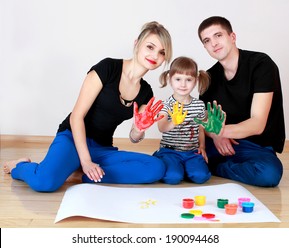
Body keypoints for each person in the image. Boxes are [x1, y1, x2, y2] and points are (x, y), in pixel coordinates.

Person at [3, 21, 173, 192]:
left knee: (155, 168)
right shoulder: (107, 68)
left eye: (161, 52)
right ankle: (20, 165)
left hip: (102, 148)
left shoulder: (146, 92)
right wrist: (85, 161)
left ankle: (78, 175)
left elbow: (134, 137)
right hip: (72, 138)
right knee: (44, 182)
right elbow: (76, 116)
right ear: (137, 44)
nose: (155, 55)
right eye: (150, 47)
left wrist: (139, 129)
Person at [197, 16, 285, 187]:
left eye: (218, 35)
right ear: (205, 47)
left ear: (232, 37)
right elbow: (203, 120)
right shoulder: (207, 78)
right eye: (207, 40)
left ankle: (217, 169)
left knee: (269, 174)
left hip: (254, 146)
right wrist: (215, 136)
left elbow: (257, 124)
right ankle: (210, 165)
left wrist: (221, 132)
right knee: (182, 156)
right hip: (220, 144)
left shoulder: (261, 64)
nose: (213, 43)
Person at [152, 56, 211, 185]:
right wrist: (174, 122)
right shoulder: (166, 104)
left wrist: (202, 147)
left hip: (191, 151)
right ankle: (163, 159)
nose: (183, 84)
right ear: (170, 80)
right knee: (172, 178)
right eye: (178, 79)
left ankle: (185, 167)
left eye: (188, 80)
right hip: (170, 151)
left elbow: (200, 128)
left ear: (195, 81)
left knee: (201, 177)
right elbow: (161, 127)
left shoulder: (199, 105)